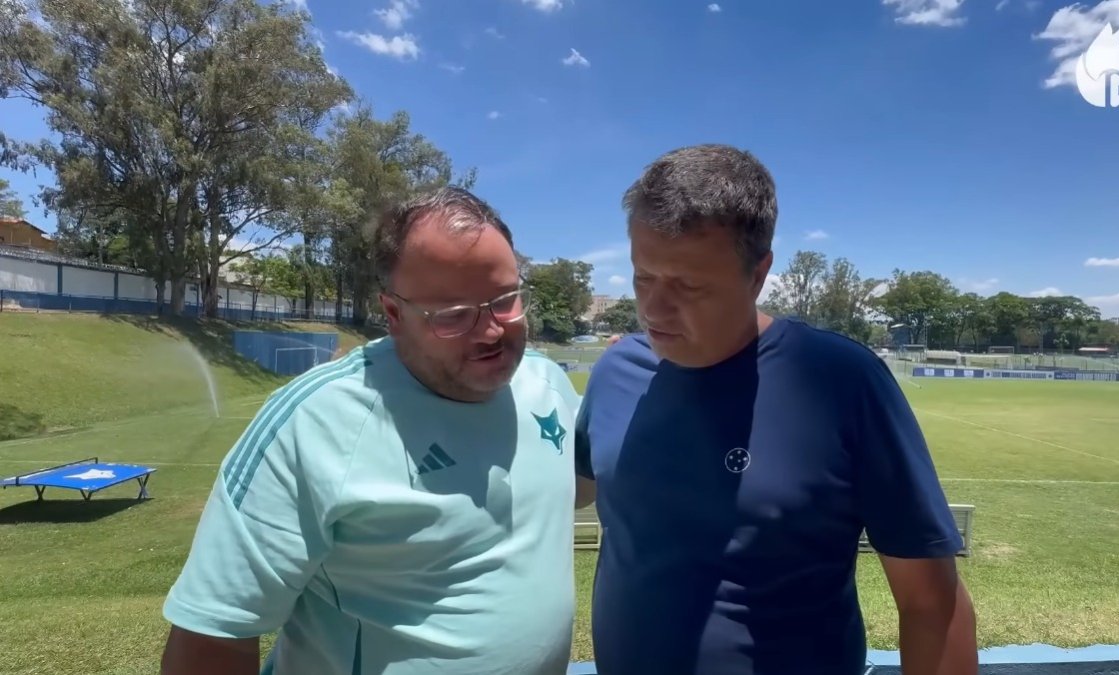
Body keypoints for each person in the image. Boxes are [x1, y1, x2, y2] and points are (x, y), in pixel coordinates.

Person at [574, 144, 978, 675]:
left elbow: (933, 605)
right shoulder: (614, 372)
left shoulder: (843, 382)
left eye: (688, 286)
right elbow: (559, 497)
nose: (653, 309)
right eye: (642, 276)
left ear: (758, 273)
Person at [160, 187, 581, 675]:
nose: (491, 331)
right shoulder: (313, 422)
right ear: (394, 314)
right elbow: (215, 633)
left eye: (505, 300)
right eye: (454, 315)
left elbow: (571, 488)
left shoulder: (547, 383)